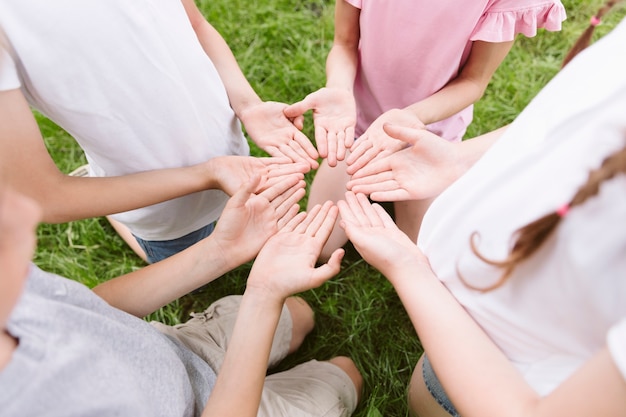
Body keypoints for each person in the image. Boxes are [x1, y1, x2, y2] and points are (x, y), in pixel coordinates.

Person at [337, 11, 626, 417]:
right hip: (471, 323)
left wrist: (408, 268)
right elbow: (564, 127)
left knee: (436, 395)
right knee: (428, 387)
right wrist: (458, 160)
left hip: (509, 372)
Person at [0, 174, 362, 416]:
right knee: (346, 376)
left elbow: (89, 310)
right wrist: (264, 293)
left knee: (300, 315)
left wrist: (220, 251)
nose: (25, 209)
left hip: (175, 353)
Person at [0, 0, 318, 264]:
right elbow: (46, 197)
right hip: (155, 203)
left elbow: (195, 25)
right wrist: (208, 173)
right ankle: (113, 209)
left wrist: (248, 105)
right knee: (191, 273)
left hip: (229, 153)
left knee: (237, 235)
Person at [284, 0, 566, 260]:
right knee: (317, 248)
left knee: (422, 262)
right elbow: (344, 43)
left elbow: (474, 81)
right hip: (361, 127)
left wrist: (411, 118)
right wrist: (338, 89)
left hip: (430, 141)